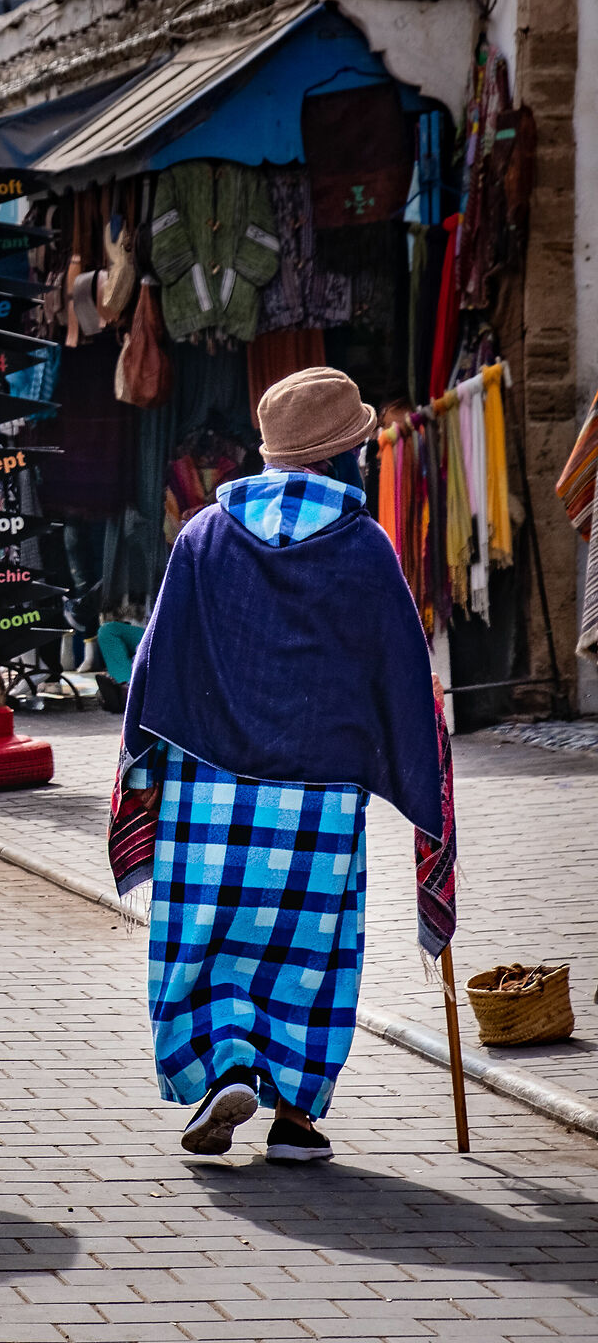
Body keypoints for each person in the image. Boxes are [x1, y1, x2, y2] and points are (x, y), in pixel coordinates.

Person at [110, 367, 453, 1165]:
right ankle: (296, 1117)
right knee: (311, 952)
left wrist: (142, 769)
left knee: (211, 940)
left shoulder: (202, 535)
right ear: (344, 454)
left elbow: (158, 660)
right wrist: (424, 787)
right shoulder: (366, 547)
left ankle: (226, 1063)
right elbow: (404, 674)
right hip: (320, 800)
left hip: (209, 792)